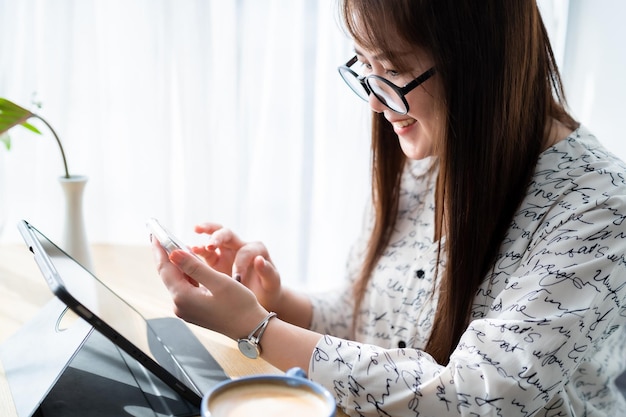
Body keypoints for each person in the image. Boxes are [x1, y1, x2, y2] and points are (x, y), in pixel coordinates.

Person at [152, 1, 626, 415]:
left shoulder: (599, 207)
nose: (378, 104)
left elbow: (484, 396)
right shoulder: (432, 148)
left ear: (481, 59)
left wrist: (258, 329)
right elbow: (378, 323)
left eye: (393, 71)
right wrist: (275, 301)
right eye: (364, 66)